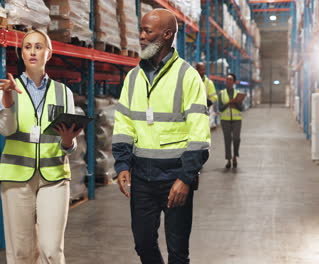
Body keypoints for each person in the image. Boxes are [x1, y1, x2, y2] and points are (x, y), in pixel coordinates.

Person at [112, 9, 210, 264]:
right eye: (141, 31)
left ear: (167, 35)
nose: (141, 37)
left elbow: (199, 133)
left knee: (178, 252)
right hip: (142, 177)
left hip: (175, 176)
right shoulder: (133, 78)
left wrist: (186, 178)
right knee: (143, 244)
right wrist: (122, 164)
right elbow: (123, 123)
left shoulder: (187, 76)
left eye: (148, 31)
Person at [0, 29, 82, 264]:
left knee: (52, 250)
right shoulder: (7, 88)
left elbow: (70, 145)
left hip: (54, 178)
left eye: (38, 46)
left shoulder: (64, 93)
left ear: (49, 53)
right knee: (21, 252)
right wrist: (8, 102)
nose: (33, 51)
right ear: (21, 54)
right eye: (27, 47)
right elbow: (6, 130)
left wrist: (68, 143)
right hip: (16, 177)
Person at [218, 73, 243, 169]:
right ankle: (228, 160)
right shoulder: (221, 93)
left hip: (237, 120)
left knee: (236, 138)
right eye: (227, 80)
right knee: (227, 140)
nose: (228, 81)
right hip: (225, 120)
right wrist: (228, 103)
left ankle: (235, 156)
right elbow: (220, 108)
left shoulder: (238, 93)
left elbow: (241, 108)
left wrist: (235, 103)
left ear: (234, 82)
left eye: (230, 80)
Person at [195, 62, 218, 129]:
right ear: (196, 70)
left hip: (205, 112)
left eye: (204, 69)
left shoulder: (209, 83)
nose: (203, 71)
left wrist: (208, 102)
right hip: (194, 113)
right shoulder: (192, 81)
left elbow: (214, 97)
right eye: (201, 70)